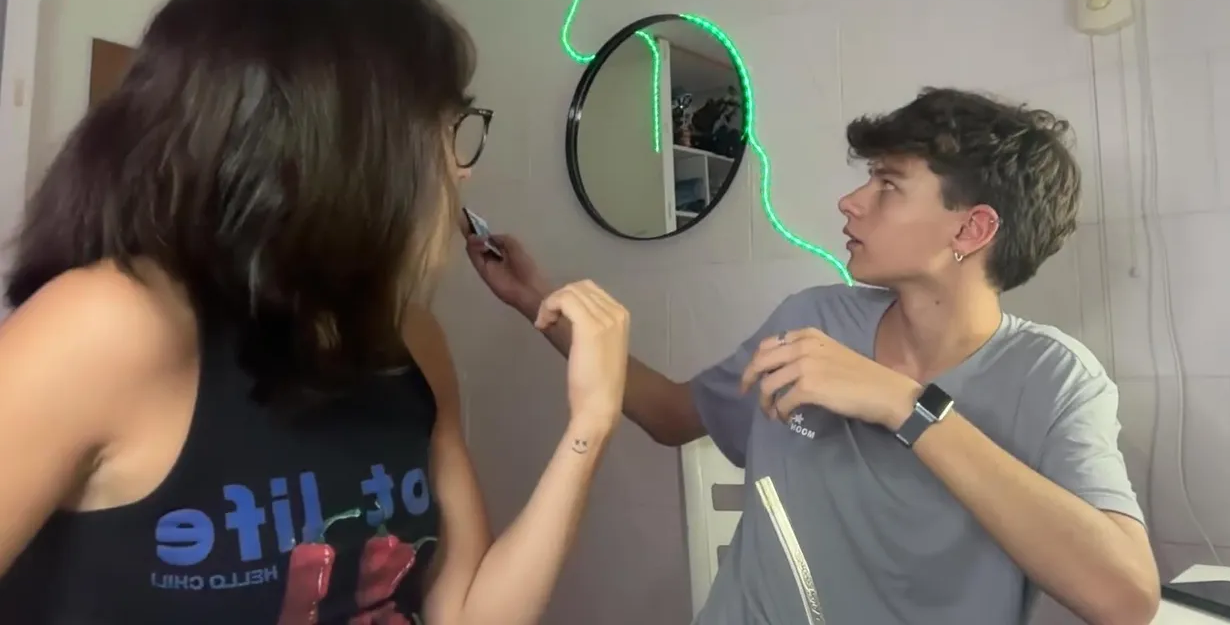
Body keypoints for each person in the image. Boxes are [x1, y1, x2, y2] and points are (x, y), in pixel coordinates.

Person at [0, 0, 631, 625]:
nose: (461, 168)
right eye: (446, 131)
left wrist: (590, 425)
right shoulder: (107, 325)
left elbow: (469, 614)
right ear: (343, 146)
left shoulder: (414, 341)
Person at [470, 88, 1161, 625]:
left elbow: (1126, 598)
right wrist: (537, 301)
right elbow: (670, 414)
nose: (851, 202)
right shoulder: (813, 319)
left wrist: (904, 405)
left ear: (971, 229)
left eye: (888, 186)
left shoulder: (1055, 379)